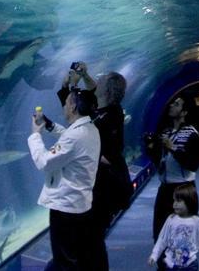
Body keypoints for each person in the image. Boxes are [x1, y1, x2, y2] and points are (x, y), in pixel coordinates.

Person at [56, 62, 130, 271]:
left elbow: (111, 155)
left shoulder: (113, 113)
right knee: (89, 238)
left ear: (107, 89)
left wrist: (87, 155)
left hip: (105, 188)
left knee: (93, 238)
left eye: (102, 79)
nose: (97, 80)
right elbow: (74, 109)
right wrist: (70, 85)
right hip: (93, 186)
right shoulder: (96, 111)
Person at [28, 88, 100, 270]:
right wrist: (49, 125)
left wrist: (35, 134)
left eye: (67, 102)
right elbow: (68, 136)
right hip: (80, 205)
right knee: (77, 256)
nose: (65, 106)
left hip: (66, 209)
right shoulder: (90, 129)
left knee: (64, 262)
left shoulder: (76, 136)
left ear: (73, 106)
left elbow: (44, 162)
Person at [145, 95, 199, 252]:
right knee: (160, 234)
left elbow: (193, 164)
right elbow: (160, 162)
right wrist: (151, 148)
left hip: (183, 188)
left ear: (184, 112)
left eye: (177, 104)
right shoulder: (166, 132)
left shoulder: (192, 134)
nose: (171, 105)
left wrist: (173, 148)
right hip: (165, 188)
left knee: (182, 237)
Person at [148, 183, 199, 271]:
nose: (175, 204)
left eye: (179, 201)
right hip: (171, 264)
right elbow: (162, 239)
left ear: (189, 202)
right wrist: (154, 255)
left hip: (190, 265)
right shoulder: (171, 219)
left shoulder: (196, 221)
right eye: (174, 200)